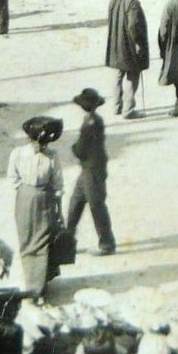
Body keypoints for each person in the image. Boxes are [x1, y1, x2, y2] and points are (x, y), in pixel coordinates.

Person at [7, 115, 65, 302]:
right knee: (26, 240)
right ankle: (33, 280)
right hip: (25, 198)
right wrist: (26, 191)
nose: (42, 146)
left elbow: (57, 183)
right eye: (38, 142)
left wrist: (58, 208)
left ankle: (37, 288)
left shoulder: (52, 156)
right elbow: (12, 176)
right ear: (31, 139)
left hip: (45, 199)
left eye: (45, 143)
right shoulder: (18, 153)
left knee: (42, 241)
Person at [66, 89, 116, 258]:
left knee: (95, 205)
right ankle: (68, 240)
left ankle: (106, 243)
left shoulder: (89, 124)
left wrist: (74, 149)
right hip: (92, 167)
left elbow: (80, 148)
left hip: (92, 169)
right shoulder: (95, 120)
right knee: (76, 202)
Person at [105, 0, 150, 119]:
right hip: (128, 46)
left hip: (115, 44)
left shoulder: (114, 0)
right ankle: (128, 109)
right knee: (132, 75)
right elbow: (133, 26)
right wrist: (138, 44)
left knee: (117, 75)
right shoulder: (133, 3)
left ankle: (116, 106)